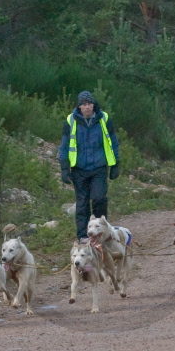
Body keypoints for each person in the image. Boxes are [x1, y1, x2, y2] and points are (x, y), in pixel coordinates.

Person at [59, 91, 120, 241]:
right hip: (79, 169)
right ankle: (83, 236)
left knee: (99, 199)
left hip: (99, 167)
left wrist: (116, 164)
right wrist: (64, 168)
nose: (87, 107)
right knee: (82, 204)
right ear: (79, 107)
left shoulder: (103, 119)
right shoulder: (71, 121)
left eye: (90, 104)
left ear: (94, 104)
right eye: (84, 104)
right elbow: (64, 146)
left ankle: (102, 233)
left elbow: (113, 142)